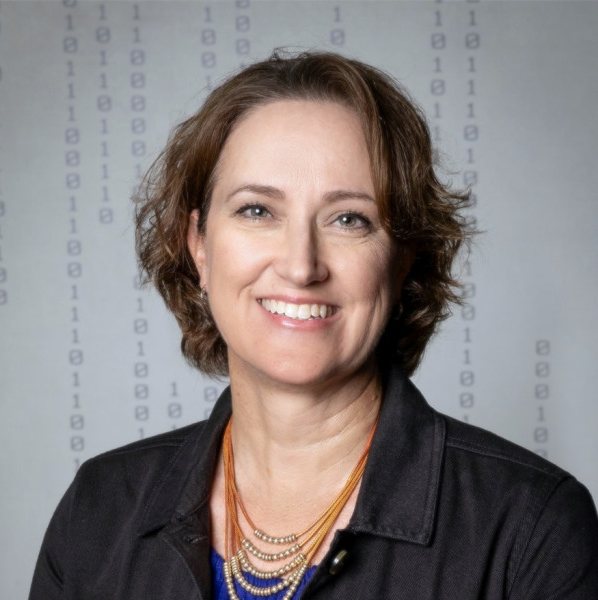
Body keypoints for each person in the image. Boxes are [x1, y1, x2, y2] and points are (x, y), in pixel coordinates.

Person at [30, 51, 598, 600]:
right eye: (257, 210)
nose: (301, 267)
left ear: (403, 257)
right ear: (199, 245)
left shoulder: (533, 528)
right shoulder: (99, 510)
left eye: (349, 219)